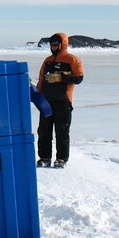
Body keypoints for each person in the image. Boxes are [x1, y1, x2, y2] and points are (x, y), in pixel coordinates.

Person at [35, 32, 84, 168]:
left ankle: (61, 159)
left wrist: (62, 77)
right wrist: (38, 95)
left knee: (61, 131)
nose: (53, 47)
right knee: (44, 131)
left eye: (56, 45)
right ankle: (44, 157)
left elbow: (79, 78)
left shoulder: (72, 60)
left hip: (63, 102)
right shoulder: (48, 60)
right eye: (52, 45)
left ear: (63, 45)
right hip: (46, 102)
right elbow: (41, 79)